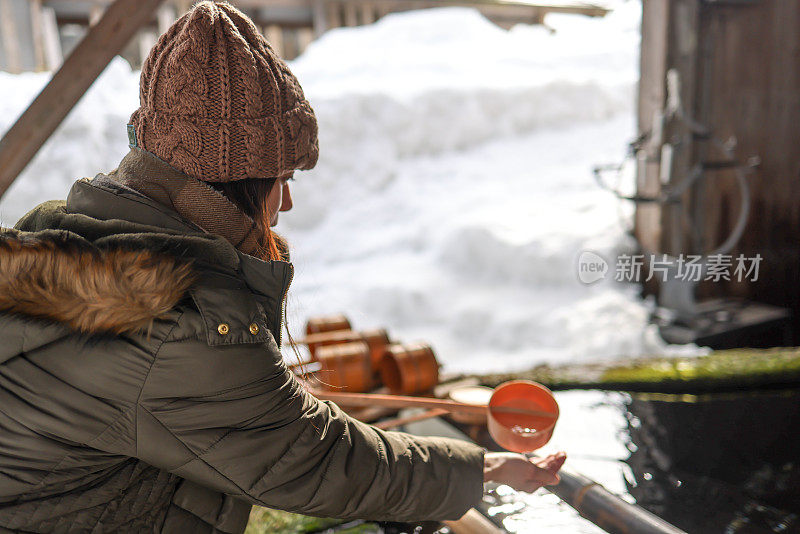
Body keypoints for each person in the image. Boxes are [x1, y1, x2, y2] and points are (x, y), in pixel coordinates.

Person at [0, 2, 566, 532]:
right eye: (284, 180)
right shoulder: (181, 322)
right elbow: (312, 461)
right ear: (239, 180)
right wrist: (482, 471)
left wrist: (261, 386)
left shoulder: (65, 233)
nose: (286, 205)